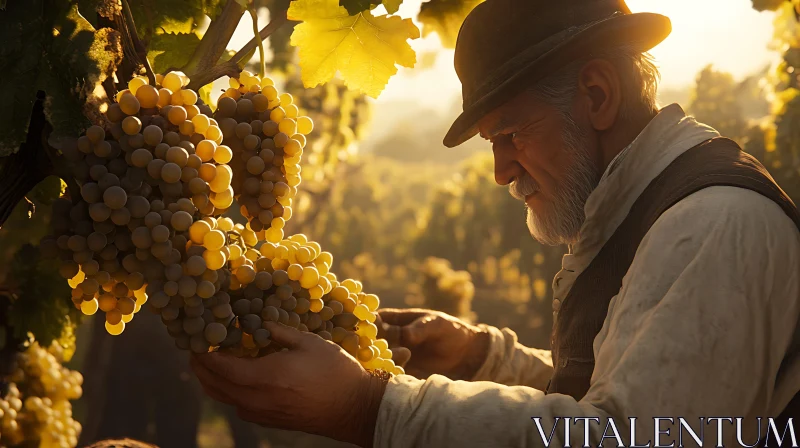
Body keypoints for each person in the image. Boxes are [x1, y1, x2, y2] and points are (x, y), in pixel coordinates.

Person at [190, 0, 800, 446]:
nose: (500, 171)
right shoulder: (651, 212)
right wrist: (483, 357)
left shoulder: (712, 226)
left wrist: (373, 410)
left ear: (596, 94)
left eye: (510, 134)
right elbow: (619, 393)